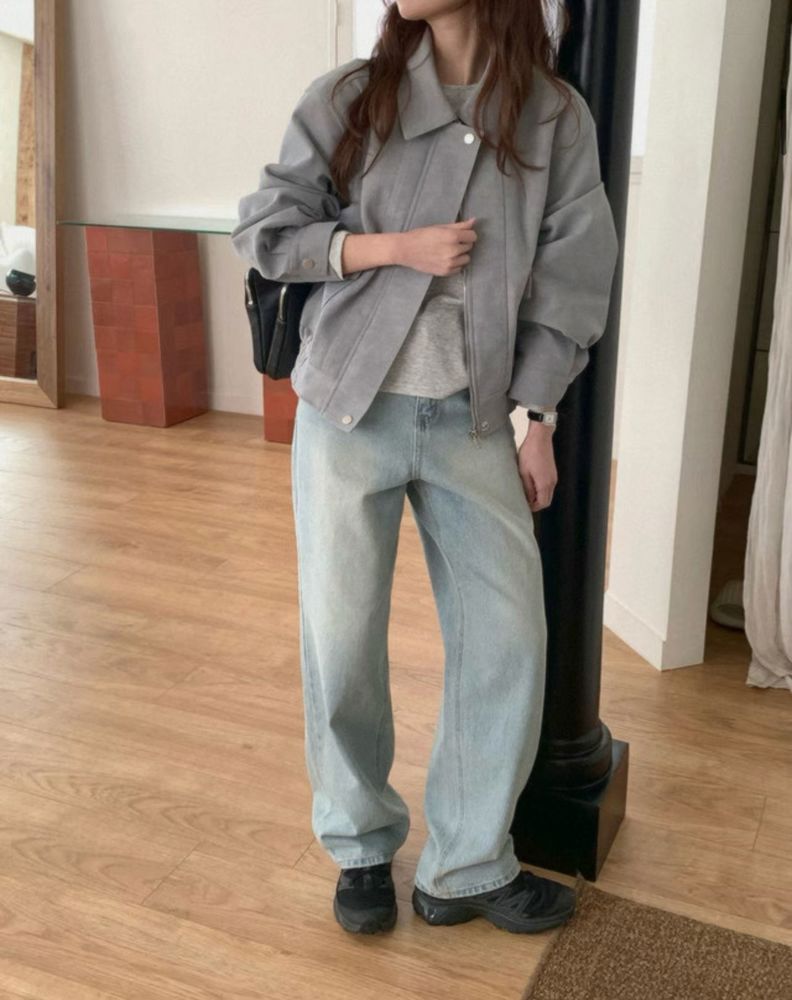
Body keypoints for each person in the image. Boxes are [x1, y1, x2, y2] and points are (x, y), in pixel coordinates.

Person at [231, 0, 619, 936]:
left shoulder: (553, 117)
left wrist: (538, 419)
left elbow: (572, 279)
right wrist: (390, 249)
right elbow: (266, 229)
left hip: (472, 421)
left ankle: (465, 865)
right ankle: (361, 845)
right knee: (342, 639)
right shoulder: (351, 98)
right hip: (346, 413)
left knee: (509, 638)